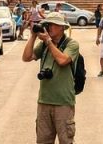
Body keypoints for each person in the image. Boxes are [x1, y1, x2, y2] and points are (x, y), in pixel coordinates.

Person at [22, 12, 79, 144]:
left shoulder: (72, 44)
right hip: (44, 100)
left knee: (66, 140)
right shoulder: (44, 46)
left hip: (63, 102)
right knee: (43, 140)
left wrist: (48, 41)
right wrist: (33, 37)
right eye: (48, 24)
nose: (49, 27)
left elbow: (62, 60)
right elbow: (26, 57)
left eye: (53, 24)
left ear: (62, 27)